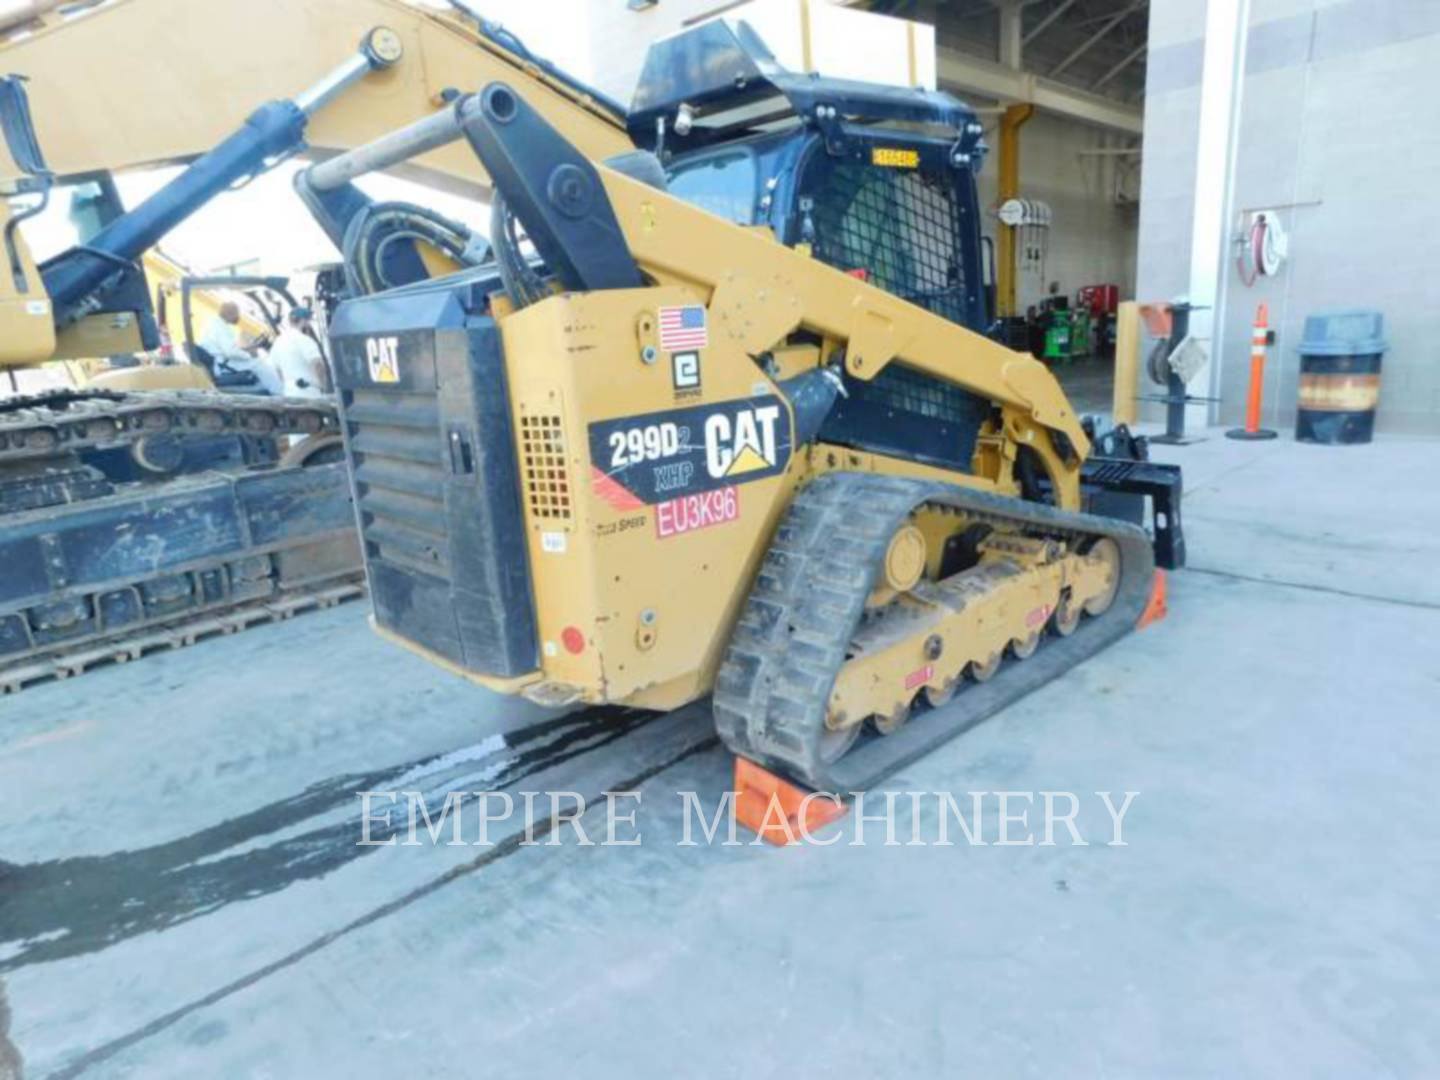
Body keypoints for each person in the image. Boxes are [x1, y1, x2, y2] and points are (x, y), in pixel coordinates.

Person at [198, 300, 279, 392]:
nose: (238, 317)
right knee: (259, 364)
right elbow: (230, 352)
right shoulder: (221, 327)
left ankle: (267, 390)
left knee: (256, 363)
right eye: (236, 314)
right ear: (229, 314)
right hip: (222, 364)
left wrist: (245, 349)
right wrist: (249, 355)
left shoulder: (215, 323)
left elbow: (227, 348)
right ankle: (278, 393)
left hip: (219, 360)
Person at [268, 307, 329, 398]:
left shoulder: (278, 342)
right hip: (309, 392)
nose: (309, 324)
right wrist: (324, 385)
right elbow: (317, 364)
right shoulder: (304, 340)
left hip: (289, 393)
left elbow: (276, 370)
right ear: (304, 321)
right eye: (309, 321)